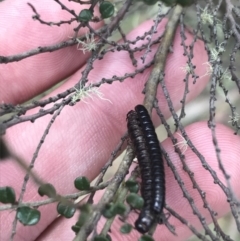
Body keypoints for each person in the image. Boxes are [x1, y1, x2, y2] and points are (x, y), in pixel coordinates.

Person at [1, 0, 240, 240]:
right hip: (150, 192)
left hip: (150, 196)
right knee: (150, 160)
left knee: (150, 161)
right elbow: (148, 157)